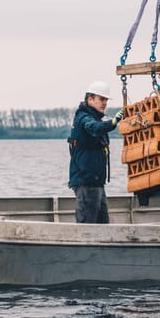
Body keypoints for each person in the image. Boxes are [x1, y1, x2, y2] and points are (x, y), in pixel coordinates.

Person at [68, 80, 124, 224]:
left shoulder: (93, 117)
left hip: (96, 182)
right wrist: (113, 122)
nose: (104, 103)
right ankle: (83, 246)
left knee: (103, 223)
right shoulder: (84, 118)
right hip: (86, 181)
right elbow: (95, 128)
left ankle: (102, 247)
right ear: (90, 99)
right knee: (88, 224)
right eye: (101, 99)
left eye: (106, 99)